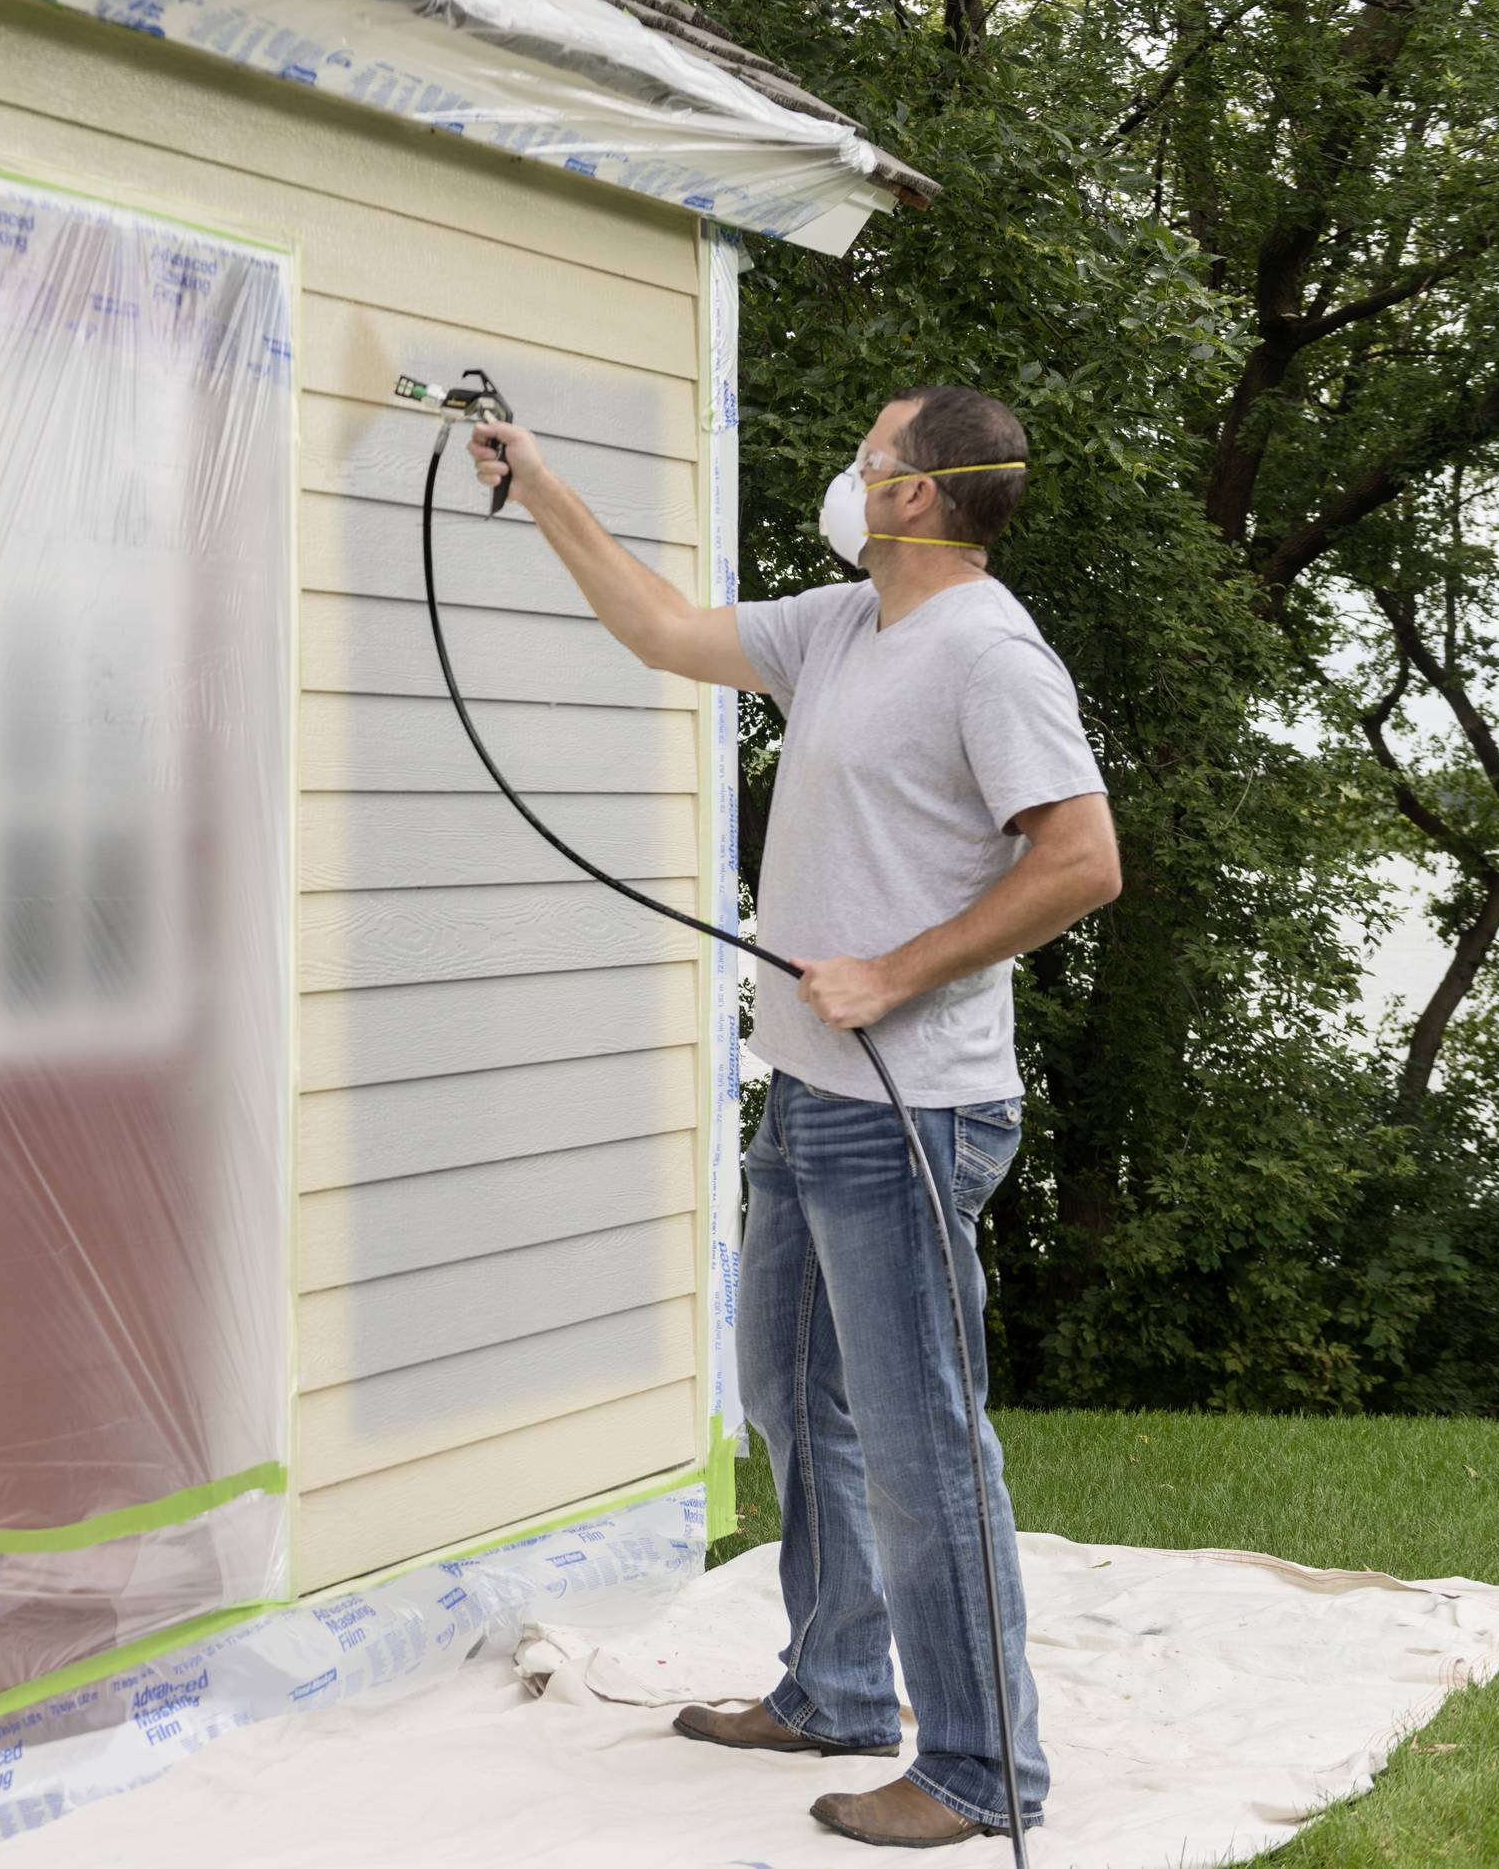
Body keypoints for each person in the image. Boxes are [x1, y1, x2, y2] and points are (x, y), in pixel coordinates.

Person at [469, 386, 1119, 1849]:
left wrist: (895, 968)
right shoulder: (838, 625)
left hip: (912, 1117)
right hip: (811, 1100)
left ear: (916, 496)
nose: (854, 466)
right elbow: (657, 625)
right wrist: (541, 481)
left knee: (923, 1444)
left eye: (875, 450)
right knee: (792, 1398)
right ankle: (834, 1684)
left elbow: (1082, 858)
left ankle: (978, 1769)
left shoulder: (990, 654)